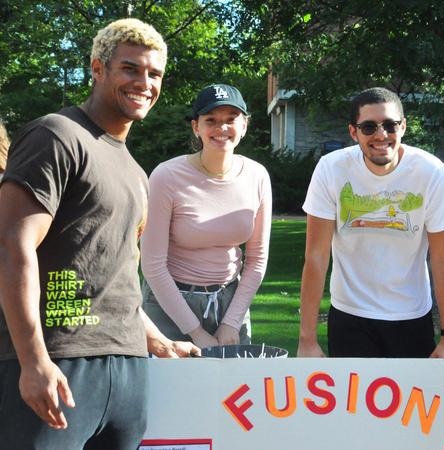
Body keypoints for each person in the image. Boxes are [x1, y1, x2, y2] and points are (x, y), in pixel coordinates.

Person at [0, 19, 200, 450]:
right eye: (130, 69)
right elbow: (13, 247)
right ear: (97, 68)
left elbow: (115, 270)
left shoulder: (134, 170)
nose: (144, 82)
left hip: (127, 370)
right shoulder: (55, 135)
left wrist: (156, 340)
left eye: (154, 74)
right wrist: (33, 360)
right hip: (59, 362)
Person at [297, 87, 444, 359]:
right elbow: (316, 256)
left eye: (390, 125)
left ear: (403, 127)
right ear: (353, 132)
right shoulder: (331, 168)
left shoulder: (432, 172)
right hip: (349, 316)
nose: (381, 135)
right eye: (369, 127)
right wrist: (307, 339)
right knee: (351, 403)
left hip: (411, 316)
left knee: (415, 402)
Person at [141, 84, 272, 349]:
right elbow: (152, 265)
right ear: (195, 127)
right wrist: (196, 333)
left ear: (244, 125)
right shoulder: (166, 176)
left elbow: (257, 260)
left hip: (230, 304)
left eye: (230, 120)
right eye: (210, 120)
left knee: (235, 390)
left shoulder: (257, 176)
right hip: (171, 303)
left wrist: (231, 322)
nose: (221, 128)